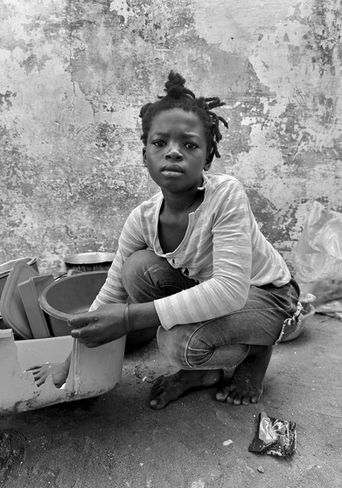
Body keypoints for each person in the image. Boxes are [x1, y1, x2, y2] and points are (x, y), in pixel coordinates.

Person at [30, 71, 300, 409]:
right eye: (160, 143)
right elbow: (112, 292)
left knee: (177, 343)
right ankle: (204, 372)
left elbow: (231, 290)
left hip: (269, 295)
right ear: (145, 156)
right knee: (136, 269)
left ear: (207, 156)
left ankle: (256, 354)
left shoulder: (226, 195)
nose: (173, 152)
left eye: (189, 144)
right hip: (219, 293)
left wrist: (130, 319)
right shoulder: (142, 219)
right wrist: (70, 360)